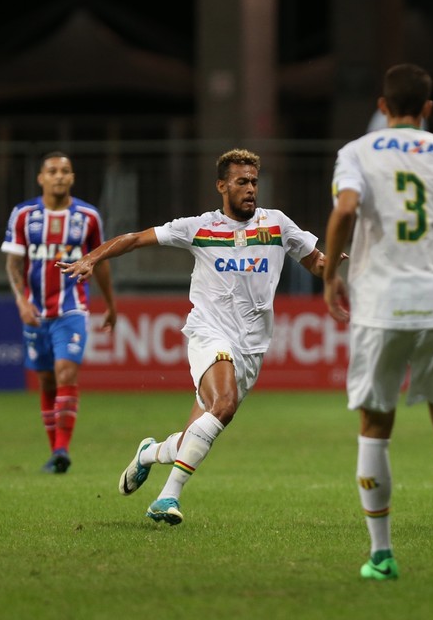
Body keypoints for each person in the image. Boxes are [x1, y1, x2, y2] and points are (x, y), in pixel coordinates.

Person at [58, 148, 331, 525]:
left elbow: (315, 262)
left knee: (198, 434)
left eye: (254, 182)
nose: (251, 189)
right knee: (224, 405)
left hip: (252, 347)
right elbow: (135, 239)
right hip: (209, 332)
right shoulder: (200, 227)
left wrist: (332, 265)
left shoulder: (277, 224)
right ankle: (167, 497)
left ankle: (149, 453)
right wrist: (93, 258)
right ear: (222, 186)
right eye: (242, 182)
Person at [323, 63, 433, 583]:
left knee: (374, 429)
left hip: (379, 306)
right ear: (427, 109)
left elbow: (345, 210)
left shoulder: (357, 151)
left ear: (382, 106)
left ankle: (382, 554)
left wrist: (331, 275)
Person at [1, 151, 118, 474]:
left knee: (66, 372)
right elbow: (13, 263)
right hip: (35, 311)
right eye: (52, 171)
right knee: (46, 380)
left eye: (65, 170)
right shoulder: (23, 215)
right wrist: (21, 301)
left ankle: (63, 449)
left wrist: (110, 304)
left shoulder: (88, 217)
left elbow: (100, 262)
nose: (59, 176)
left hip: (72, 307)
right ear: (41, 178)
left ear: (72, 177)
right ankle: (55, 451)